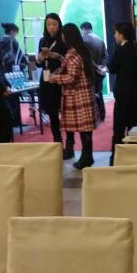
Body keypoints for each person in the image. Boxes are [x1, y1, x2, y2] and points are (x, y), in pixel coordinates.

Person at [48, 23, 97, 169]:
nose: (62, 37)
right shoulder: (81, 50)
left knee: (84, 129)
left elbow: (71, 78)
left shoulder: (74, 55)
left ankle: (86, 158)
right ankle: (87, 157)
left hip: (78, 97)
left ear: (68, 36)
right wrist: (59, 59)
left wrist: (56, 78)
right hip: (83, 95)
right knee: (85, 129)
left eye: (63, 34)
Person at [108, 21, 137, 165]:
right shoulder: (136, 48)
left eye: (116, 33)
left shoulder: (120, 50)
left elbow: (111, 68)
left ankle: (116, 159)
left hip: (123, 93)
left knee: (119, 128)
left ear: (121, 35)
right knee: (134, 127)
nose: (115, 36)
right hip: (134, 91)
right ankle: (135, 157)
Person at [37, 13, 68, 148]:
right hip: (46, 79)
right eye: (48, 24)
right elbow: (38, 64)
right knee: (52, 112)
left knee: (65, 112)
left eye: (54, 24)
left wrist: (57, 56)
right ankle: (57, 141)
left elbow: (69, 62)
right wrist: (39, 59)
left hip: (61, 80)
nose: (51, 27)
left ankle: (70, 142)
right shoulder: (42, 41)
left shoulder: (63, 40)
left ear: (59, 25)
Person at [80, 22, 108, 121]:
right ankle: (102, 114)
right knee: (99, 93)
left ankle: (91, 116)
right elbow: (105, 56)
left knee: (89, 95)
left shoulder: (83, 40)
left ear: (83, 29)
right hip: (99, 73)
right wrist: (100, 67)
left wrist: (95, 66)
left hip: (88, 72)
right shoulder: (100, 39)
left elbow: (86, 59)